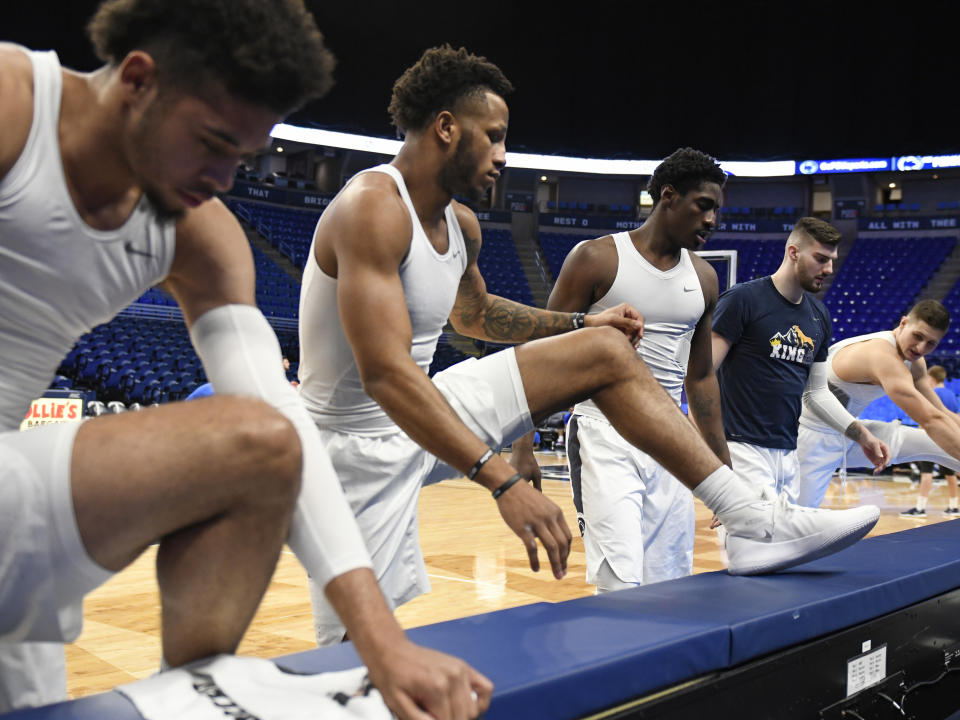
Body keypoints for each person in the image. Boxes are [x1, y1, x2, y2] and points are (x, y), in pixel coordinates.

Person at [0, 4, 491, 718]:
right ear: (139, 80)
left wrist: (381, 640)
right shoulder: (14, 103)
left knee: (267, 441)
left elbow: (278, 418)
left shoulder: (201, 236)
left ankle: (195, 691)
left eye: (246, 156)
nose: (226, 178)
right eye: (212, 142)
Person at [297, 44, 880, 645]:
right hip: (351, 444)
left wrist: (582, 327)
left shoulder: (461, 224)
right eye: (494, 136)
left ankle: (753, 517)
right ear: (446, 127)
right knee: (351, 652)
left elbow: (475, 316)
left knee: (606, 353)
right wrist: (503, 479)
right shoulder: (372, 207)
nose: (503, 154)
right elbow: (386, 376)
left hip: (429, 405)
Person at [511, 147, 732, 592]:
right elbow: (540, 350)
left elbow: (702, 378)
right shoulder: (596, 259)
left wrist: (721, 468)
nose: (712, 220)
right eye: (703, 206)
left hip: (672, 439)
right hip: (603, 433)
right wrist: (522, 444)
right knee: (619, 583)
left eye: (716, 210)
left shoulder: (706, 278)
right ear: (668, 196)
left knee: (670, 584)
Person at [712, 218, 890, 508]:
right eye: (821, 259)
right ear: (793, 252)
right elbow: (701, 375)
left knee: (784, 551)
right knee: (754, 549)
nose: (829, 269)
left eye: (832, 260)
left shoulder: (819, 315)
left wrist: (862, 436)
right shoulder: (742, 299)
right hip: (741, 447)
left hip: (788, 452)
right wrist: (714, 458)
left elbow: (816, 393)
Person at [797, 301, 960, 508]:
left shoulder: (915, 361)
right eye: (918, 337)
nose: (921, 348)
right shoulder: (882, 356)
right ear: (903, 323)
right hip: (811, 439)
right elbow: (930, 420)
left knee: (939, 445)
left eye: (931, 344)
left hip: (852, 433)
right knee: (794, 527)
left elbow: (942, 413)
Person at [899, 365, 960, 518]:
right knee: (950, 474)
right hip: (948, 438)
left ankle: (920, 508)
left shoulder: (931, 394)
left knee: (927, 473)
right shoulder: (952, 395)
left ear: (931, 378)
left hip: (931, 437)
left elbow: (925, 416)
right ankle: (953, 506)